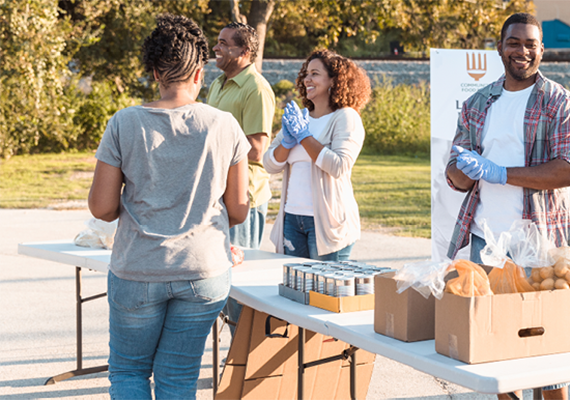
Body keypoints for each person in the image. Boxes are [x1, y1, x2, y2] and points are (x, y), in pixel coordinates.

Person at [87, 14, 250, 399]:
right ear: (199, 73)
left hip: (138, 268)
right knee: (178, 378)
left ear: (155, 71)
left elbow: (102, 208)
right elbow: (239, 210)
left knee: (128, 372)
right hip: (203, 271)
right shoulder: (224, 125)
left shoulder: (124, 123)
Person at [446, 13, 570, 400]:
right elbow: (457, 178)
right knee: (498, 350)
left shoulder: (559, 102)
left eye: (530, 44)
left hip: (540, 243)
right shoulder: (479, 101)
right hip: (485, 241)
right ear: (499, 47)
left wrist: (500, 172)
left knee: (546, 353)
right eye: (514, 43)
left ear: (542, 50)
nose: (521, 51)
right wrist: (462, 168)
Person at [263, 49, 371, 260]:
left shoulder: (345, 117)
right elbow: (269, 164)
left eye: (315, 74)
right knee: (296, 289)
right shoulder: (300, 117)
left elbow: (339, 166)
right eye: (306, 74)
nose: (307, 79)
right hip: (292, 219)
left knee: (325, 291)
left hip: (328, 223)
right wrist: (286, 142)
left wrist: (304, 137)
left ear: (334, 80)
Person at [206, 22, 275, 333]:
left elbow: (258, 149)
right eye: (217, 42)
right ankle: (235, 362)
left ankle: (243, 367)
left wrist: (213, 146)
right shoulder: (217, 85)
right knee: (219, 281)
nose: (216, 48)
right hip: (215, 196)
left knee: (240, 288)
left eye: (223, 43)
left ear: (244, 52)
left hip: (243, 197)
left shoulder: (256, 89)